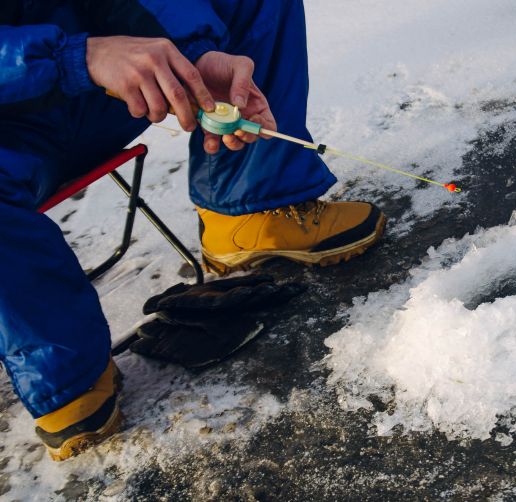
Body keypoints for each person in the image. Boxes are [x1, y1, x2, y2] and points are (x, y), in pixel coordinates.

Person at [0, 0, 385, 461]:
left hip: (101, 89)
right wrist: (71, 58)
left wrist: (193, 52)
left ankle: (248, 206)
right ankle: (65, 373)